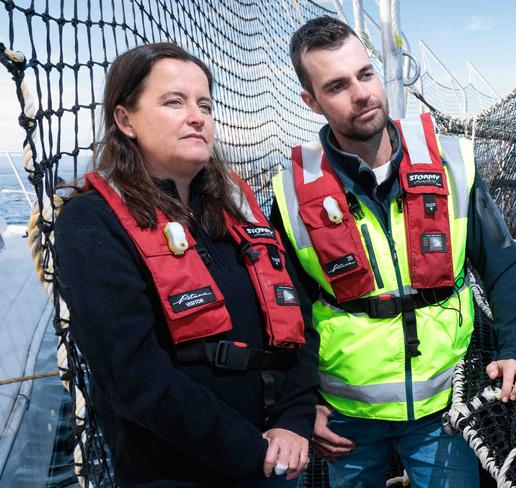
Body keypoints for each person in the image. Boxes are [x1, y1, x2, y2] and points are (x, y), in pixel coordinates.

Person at [271, 16, 516, 488]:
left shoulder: (452, 164)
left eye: (365, 74)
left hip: (445, 404)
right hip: (345, 415)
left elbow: (502, 263)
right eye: (336, 85)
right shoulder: (292, 195)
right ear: (311, 102)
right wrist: (300, 406)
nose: (360, 93)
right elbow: (287, 312)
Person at [54, 42, 319, 487]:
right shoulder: (91, 223)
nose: (197, 116)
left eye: (205, 105)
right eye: (174, 102)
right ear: (125, 120)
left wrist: (295, 417)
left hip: (274, 455)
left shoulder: (237, 211)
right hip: (177, 471)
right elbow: (135, 379)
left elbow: (297, 318)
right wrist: (253, 450)